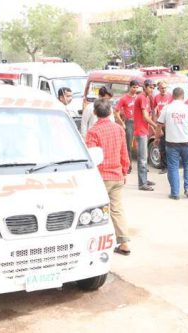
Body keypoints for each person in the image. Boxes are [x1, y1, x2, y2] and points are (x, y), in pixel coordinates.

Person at [85, 99, 132, 256]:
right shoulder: (119, 129)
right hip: (117, 175)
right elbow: (124, 153)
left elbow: (91, 157)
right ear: (111, 111)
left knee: (96, 211)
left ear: (94, 113)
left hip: (100, 178)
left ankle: (95, 245)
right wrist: (124, 172)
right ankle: (124, 243)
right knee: (117, 209)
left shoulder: (93, 132)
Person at [156, 87, 188, 200]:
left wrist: (157, 138)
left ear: (172, 96)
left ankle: (175, 193)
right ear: (183, 96)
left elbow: (159, 124)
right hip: (186, 142)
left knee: (173, 167)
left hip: (171, 143)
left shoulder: (167, 108)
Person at [133, 79, 157, 191]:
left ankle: (144, 179)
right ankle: (142, 183)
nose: (152, 89)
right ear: (145, 87)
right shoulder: (142, 97)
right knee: (142, 158)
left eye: (153, 88)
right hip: (140, 131)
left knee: (144, 157)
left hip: (144, 130)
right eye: (150, 87)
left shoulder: (147, 98)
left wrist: (152, 126)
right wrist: (156, 126)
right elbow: (145, 117)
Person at [115, 80, 139, 174]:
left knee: (140, 144)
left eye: (137, 87)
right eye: (134, 87)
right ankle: (129, 166)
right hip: (129, 122)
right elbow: (116, 111)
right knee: (128, 145)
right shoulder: (124, 98)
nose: (135, 89)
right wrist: (122, 123)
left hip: (138, 122)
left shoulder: (138, 97)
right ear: (130, 87)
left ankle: (142, 165)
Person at [153, 81, 173, 174]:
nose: (163, 89)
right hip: (161, 125)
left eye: (165, 87)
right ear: (159, 89)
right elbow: (154, 110)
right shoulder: (156, 97)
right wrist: (155, 123)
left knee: (170, 146)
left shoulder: (171, 97)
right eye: (162, 88)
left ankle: (170, 166)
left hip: (169, 125)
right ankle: (164, 166)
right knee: (162, 146)